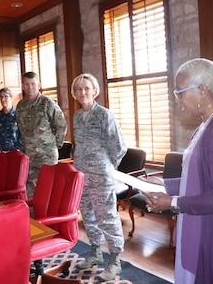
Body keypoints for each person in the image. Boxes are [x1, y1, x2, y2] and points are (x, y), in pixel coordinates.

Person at [143, 58, 213, 284]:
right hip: (202, 219)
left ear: (202, 90)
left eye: (180, 93)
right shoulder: (207, 124)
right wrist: (164, 184)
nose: (178, 101)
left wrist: (172, 202)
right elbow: (199, 178)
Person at [71, 73, 127, 282]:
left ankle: (115, 260)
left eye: (86, 88)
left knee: (107, 217)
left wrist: (106, 166)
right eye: (78, 89)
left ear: (94, 90)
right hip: (82, 176)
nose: (82, 92)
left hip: (101, 176)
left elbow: (119, 147)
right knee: (88, 214)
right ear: (74, 94)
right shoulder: (77, 117)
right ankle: (95, 252)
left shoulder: (104, 115)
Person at [15, 72, 67, 199]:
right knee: (29, 189)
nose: (30, 87)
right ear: (23, 86)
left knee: (48, 188)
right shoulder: (21, 106)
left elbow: (61, 125)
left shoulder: (48, 103)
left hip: (46, 155)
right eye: (27, 84)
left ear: (39, 85)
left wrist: (55, 145)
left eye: (33, 84)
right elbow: (21, 130)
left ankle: (50, 217)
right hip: (29, 155)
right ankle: (34, 217)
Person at [0, 87, 21, 152]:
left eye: (6, 97)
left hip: (15, 153)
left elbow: (23, 135)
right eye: (1, 97)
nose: (3, 99)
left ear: (11, 98)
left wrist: (17, 149)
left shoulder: (18, 115)